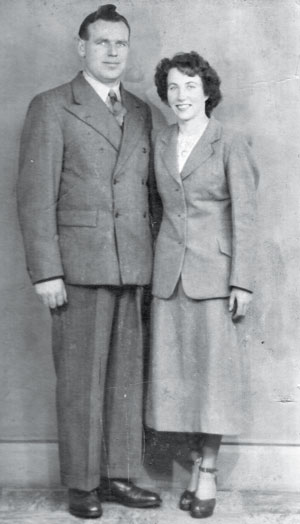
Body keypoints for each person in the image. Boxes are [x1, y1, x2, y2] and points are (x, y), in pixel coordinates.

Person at [17, 4, 161, 519]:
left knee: (125, 378)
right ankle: (82, 485)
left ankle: (118, 476)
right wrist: (46, 271)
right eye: (102, 43)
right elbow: (35, 197)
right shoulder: (52, 106)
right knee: (81, 379)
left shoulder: (143, 111)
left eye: (120, 43)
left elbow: (153, 195)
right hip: (76, 269)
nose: (112, 52)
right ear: (82, 48)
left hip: (132, 267)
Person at [146, 51, 259, 519]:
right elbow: (154, 209)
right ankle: (195, 464)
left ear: (207, 91)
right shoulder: (160, 140)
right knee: (178, 381)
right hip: (168, 278)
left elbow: (246, 216)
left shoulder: (228, 141)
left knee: (212, 379)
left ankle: (207, 472)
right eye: (173, 87)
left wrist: (243, 281)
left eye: (190, 86)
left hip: (215, 278)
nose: (181, 96)